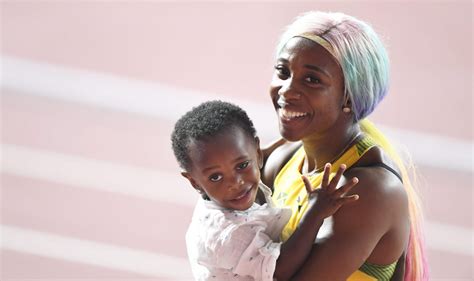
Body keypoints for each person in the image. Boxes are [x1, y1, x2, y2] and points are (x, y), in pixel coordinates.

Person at [261, 11, 429, 281]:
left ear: (349, 97)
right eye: (283, 71)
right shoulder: (283, 158)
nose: (286, 90)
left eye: (312, 80)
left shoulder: (368, 192)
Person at [171, 100, 359, 281]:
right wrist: (315, 212)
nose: (235, 182)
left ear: (258, 154)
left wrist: (307, 132)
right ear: (194, 182)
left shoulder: (226, 190)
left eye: (242, 165)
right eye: (216, 177)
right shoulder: (230, 233)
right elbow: (280, 269)